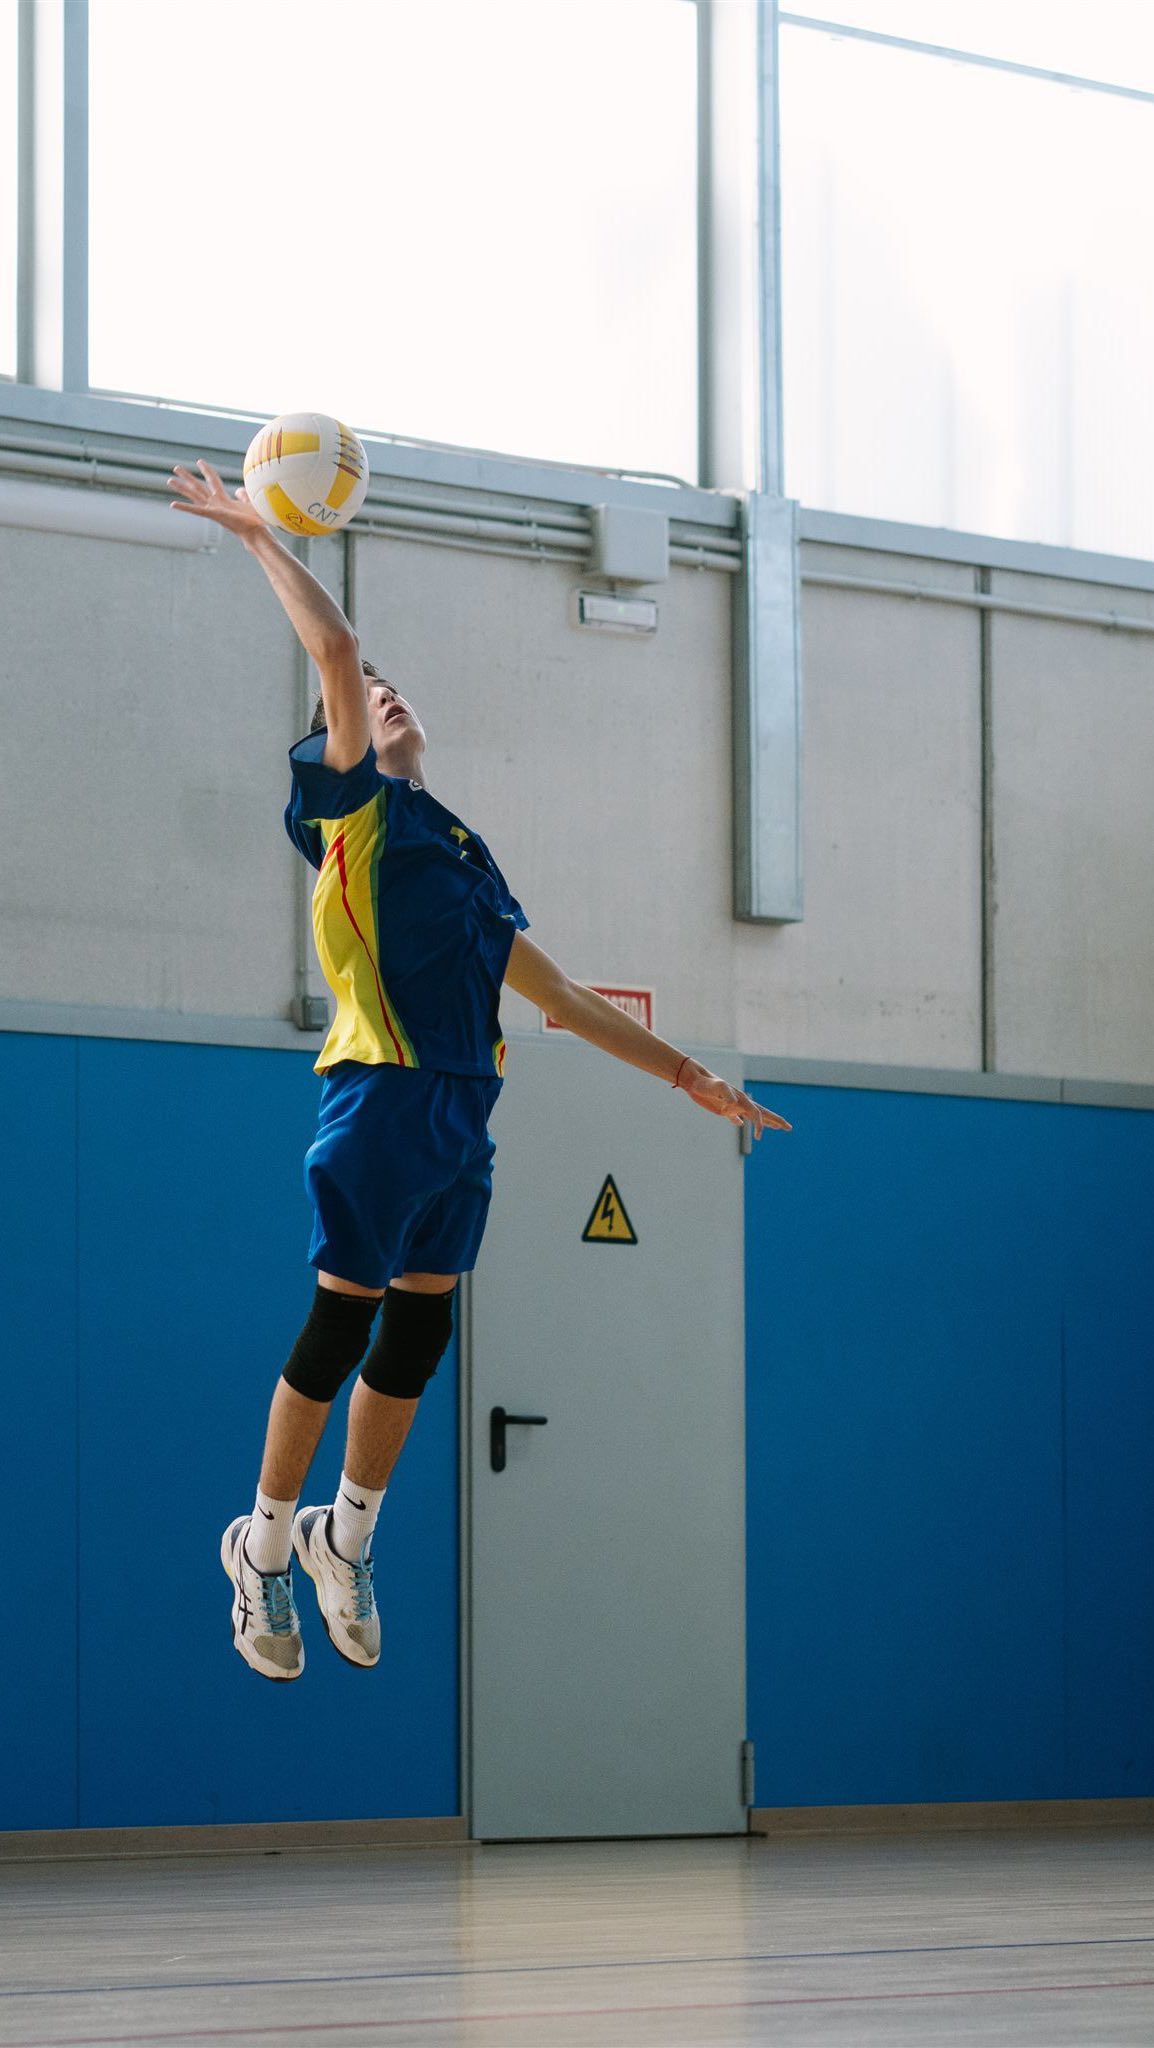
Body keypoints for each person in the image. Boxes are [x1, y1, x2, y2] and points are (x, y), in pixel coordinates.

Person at [169, 457, 792, 1683]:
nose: (382, 697)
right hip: (378, 1092)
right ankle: (261, 1546)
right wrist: (258, 537)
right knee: (337, 1325)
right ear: (338, 736)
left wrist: (688, 1076)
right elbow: (339, 651)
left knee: (417, 1334)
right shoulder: (352, 811)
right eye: (364, 699)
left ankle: (347, 1539)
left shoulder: (460, 848)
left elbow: (553, 995)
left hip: (463, 1108)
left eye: (399, 695)